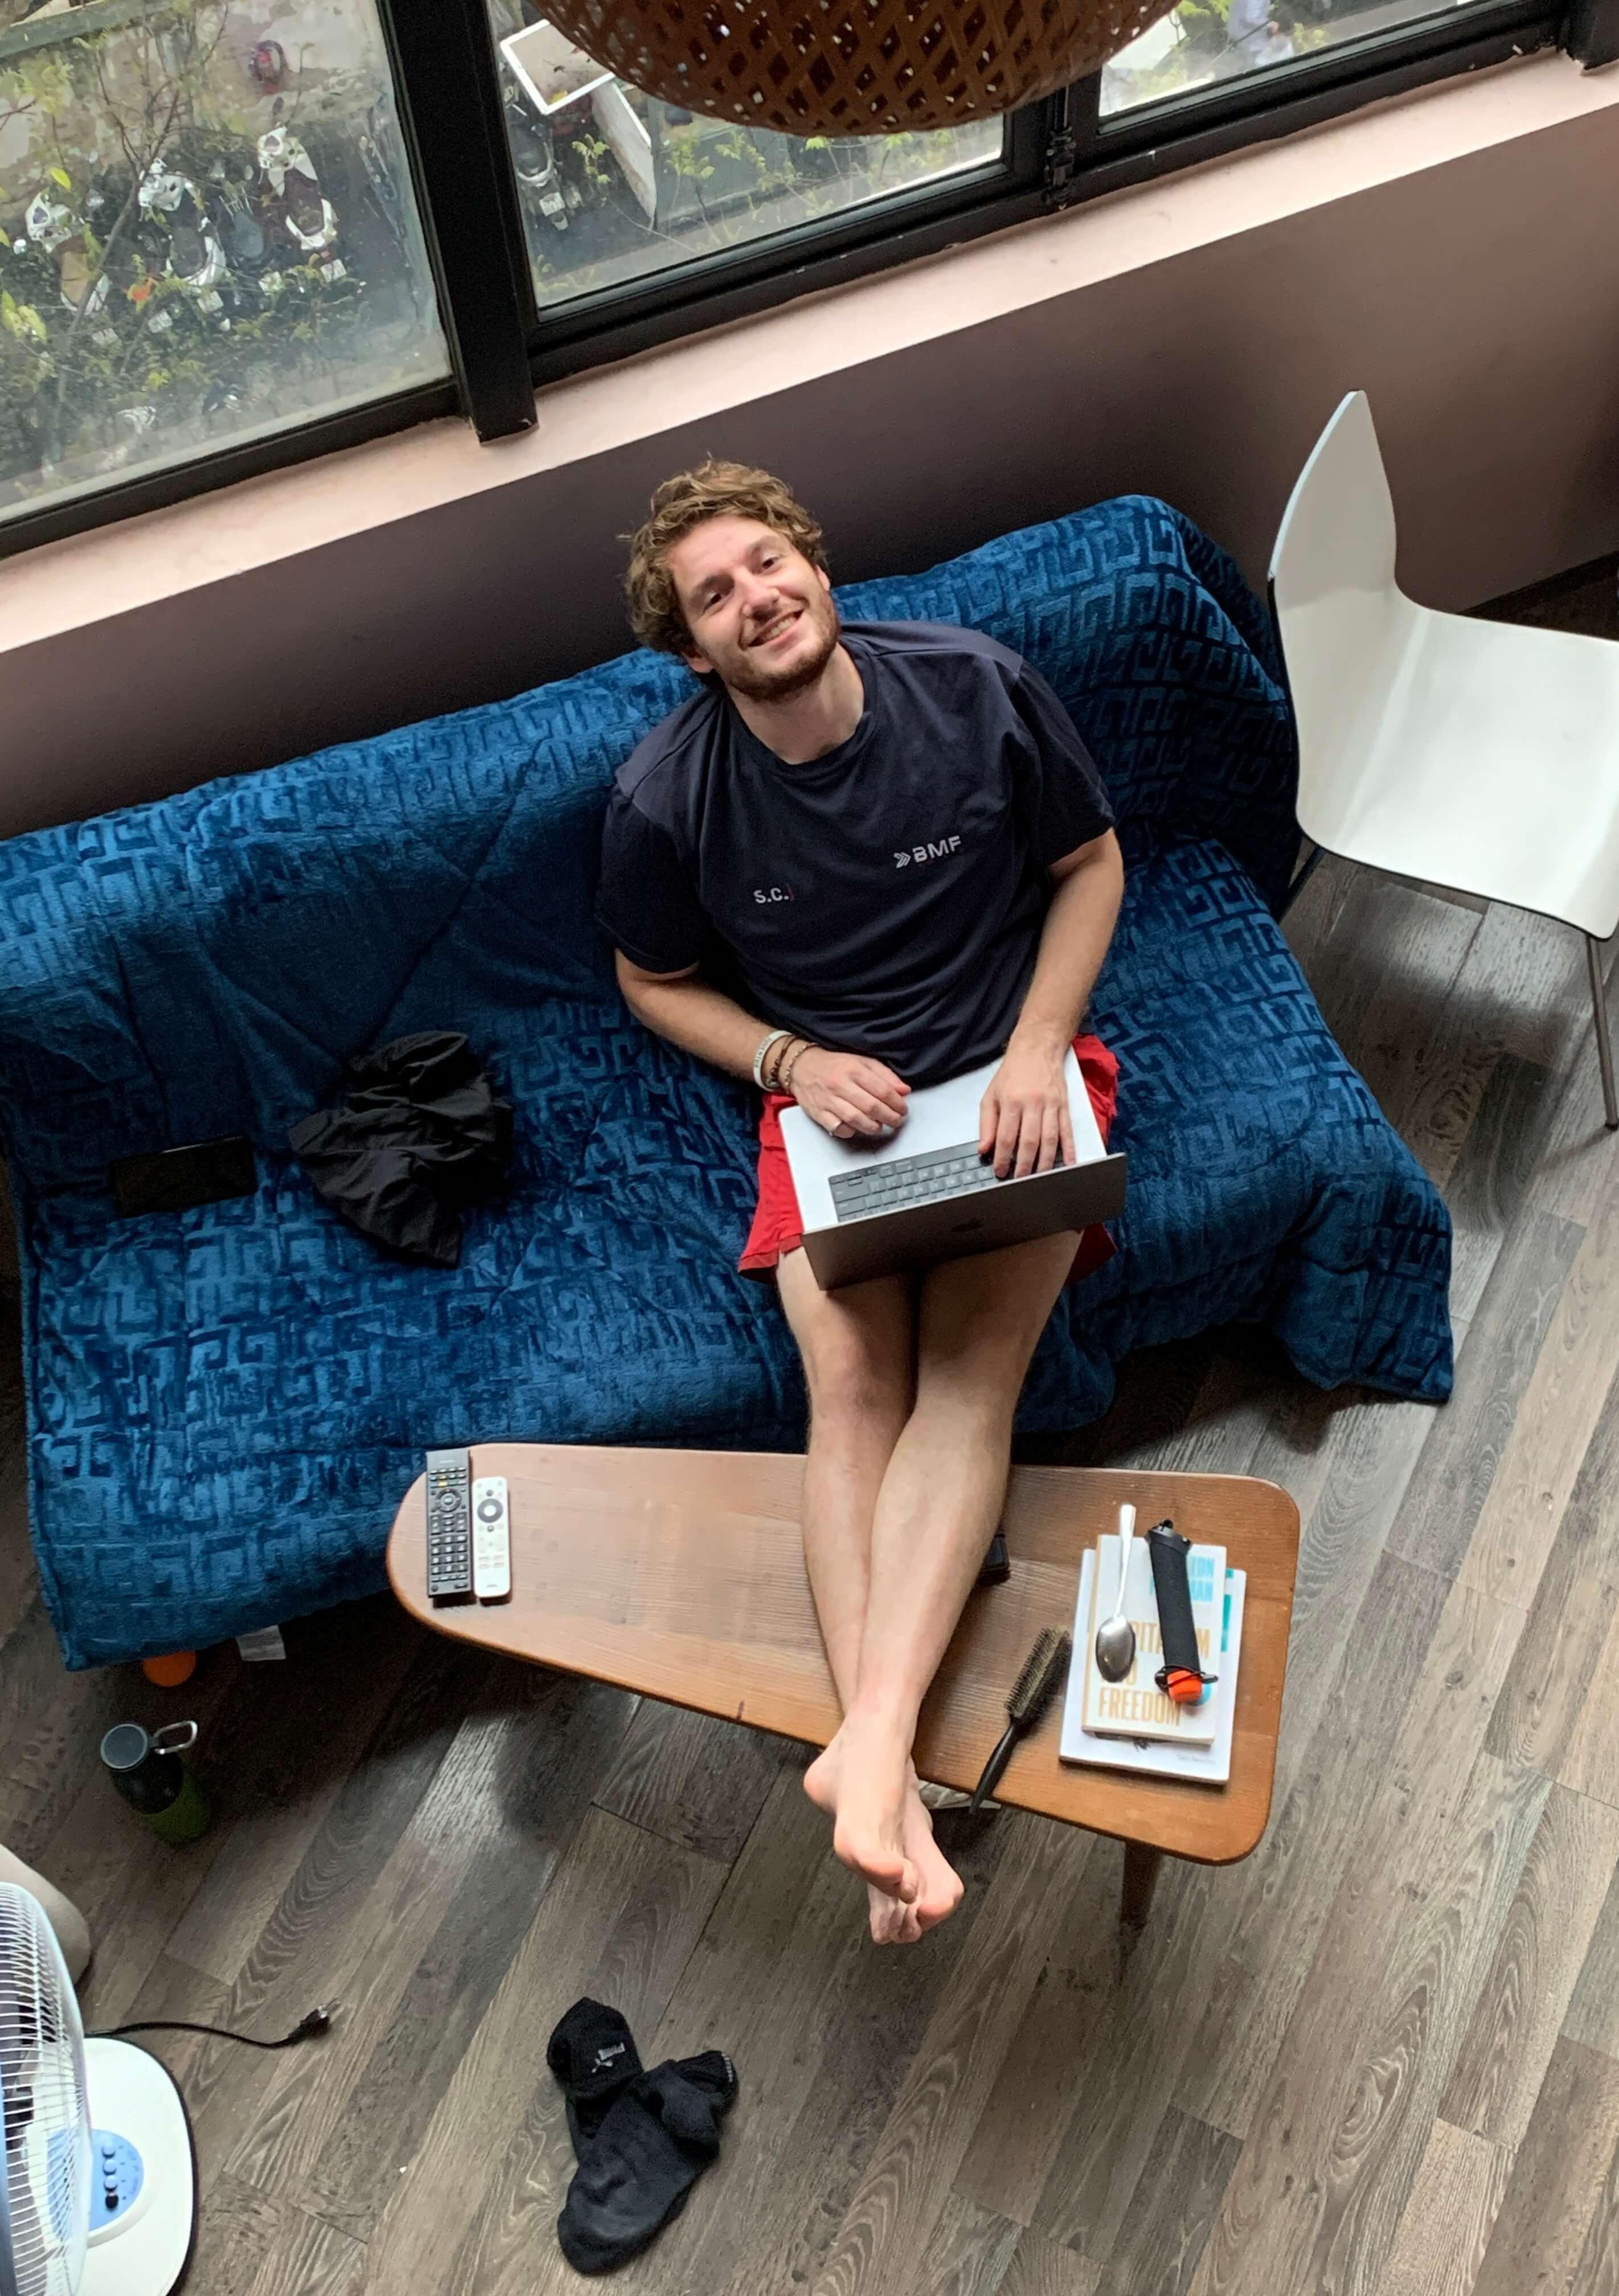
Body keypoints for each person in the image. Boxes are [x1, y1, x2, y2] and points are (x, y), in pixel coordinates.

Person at [597, 462, 1124, 1945]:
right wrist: (793, 1060)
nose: (755, 597)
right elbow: (650, 979)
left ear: (818, 574)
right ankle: (885, 1759)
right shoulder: (664, 796)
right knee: (851, 1385)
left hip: (1011, 1076)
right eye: (715, 596)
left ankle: (866, 1756)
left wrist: (1031, 1052)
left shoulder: (976, 685)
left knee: (973, 1372)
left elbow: (1091, 863)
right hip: (832, 1113)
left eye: (769, 564)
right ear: (692, 651)